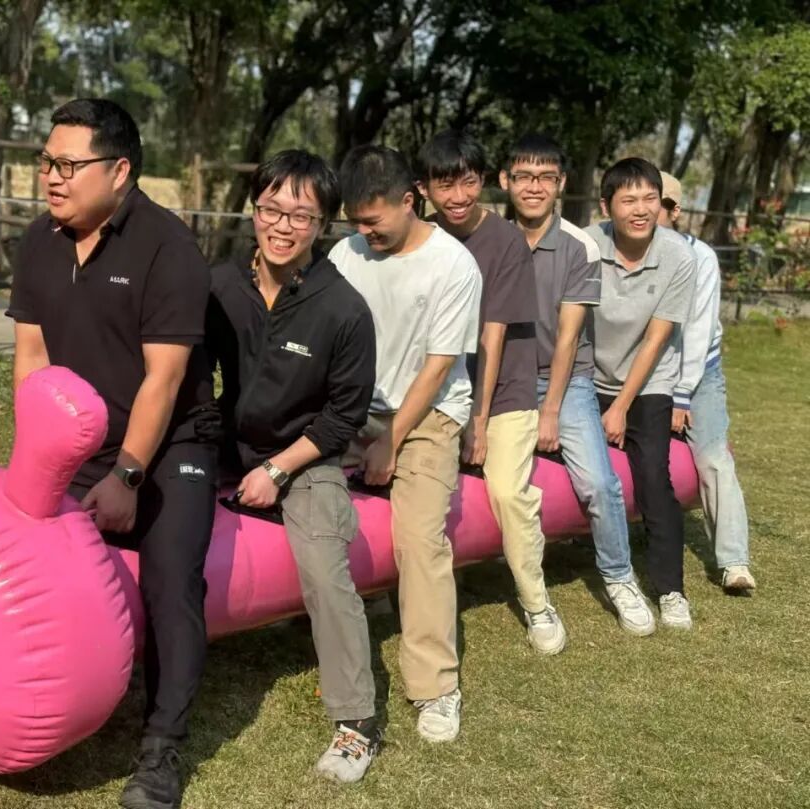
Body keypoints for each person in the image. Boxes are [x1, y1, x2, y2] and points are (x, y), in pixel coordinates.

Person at [5, 98, 220, 809]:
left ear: (120, 170)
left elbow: (165, 380)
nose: (52, 177)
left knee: (170, 581)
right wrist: (35, 457)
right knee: (22, 561)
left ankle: (161, 748)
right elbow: (32, 357)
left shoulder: (168, 249)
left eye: (69, 165)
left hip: (170, 444)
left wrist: (128, 475)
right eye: (47, 162)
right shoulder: (39, 241)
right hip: (76, 441)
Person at [205, 149, 380, 782]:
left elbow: (343, 417)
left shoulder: (344, 309)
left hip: (308, 457)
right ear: (254, 210)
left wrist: (278, 470)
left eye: (300, 216)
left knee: (325, 572)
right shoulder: (221, 285)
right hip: (225, 439)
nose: (282, 226)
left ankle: (356, 723)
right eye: (270, 210)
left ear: (322, 224)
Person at [330, 144, 481, 742]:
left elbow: (440, 366)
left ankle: (436, 687)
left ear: (410, 201)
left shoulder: (454, 266)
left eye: (374, 222)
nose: (364, 234)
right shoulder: (345, 254)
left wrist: (391, 439)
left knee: (420, 540)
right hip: (353, 409)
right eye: (356, 223)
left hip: (429, 414)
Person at [416, 130, 566, 654]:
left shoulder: (504, 242)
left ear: (484, 181)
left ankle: (536, 601)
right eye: (445, 186)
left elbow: (492, 336)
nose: (458, 197)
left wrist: (477, 421)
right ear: (423, 188)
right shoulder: (420, 236)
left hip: (502, 390)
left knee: (505, 490)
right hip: (435, 384)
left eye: (468, 183)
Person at [501, 133, 657, 636]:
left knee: (599, 484)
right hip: (504, 380)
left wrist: (550, 411)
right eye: (524, 176)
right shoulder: (491, 239)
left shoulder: (579, 246)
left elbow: (568, 338)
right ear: (506, 181)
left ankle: (619, 577)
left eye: (546, 178)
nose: (534, 187)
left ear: (561, 184)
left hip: (563, 381)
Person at [586, 157, 696, 630]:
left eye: (650, 198)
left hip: (648, 381)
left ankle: (670, 590)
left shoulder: (678, 256)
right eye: (628, 199)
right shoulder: (586, 245)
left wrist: (621, 407)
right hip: (587, 375)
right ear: (606, 206)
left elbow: (656, 339)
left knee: (653, 474)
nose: (641, 209)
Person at [658, 171, 755, 593]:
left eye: (657, 204)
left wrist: (682, 395)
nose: (644, 211)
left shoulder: (701, 258)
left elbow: (697, 332)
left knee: (714, 457)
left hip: (696, 373)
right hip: (641, 371)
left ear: (675, 211)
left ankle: (733, 561)